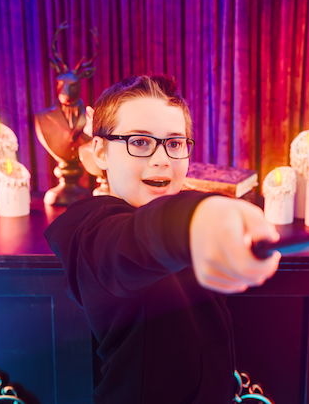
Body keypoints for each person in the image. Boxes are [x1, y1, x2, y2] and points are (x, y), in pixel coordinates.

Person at [44, 75, 281, 404]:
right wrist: (197, 219)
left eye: (174, 143)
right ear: (100, 152)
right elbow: (136, 240)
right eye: (139, 142)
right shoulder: (93, 230)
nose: (162, 159)